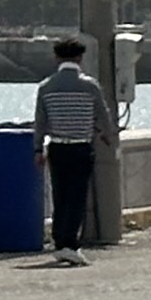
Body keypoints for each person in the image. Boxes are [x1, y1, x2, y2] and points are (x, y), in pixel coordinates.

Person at [34, 37, 107, 264]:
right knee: (77, 198)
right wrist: (107, 135)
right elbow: (103, 117)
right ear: (80, 58)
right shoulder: (90, 86)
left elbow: (40, 122)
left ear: (56, 58)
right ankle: (70, 244)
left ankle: (59, 241)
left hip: (57, 147)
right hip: (81, 147)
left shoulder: (46, 87)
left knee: (60, 196)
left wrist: (38, 149)